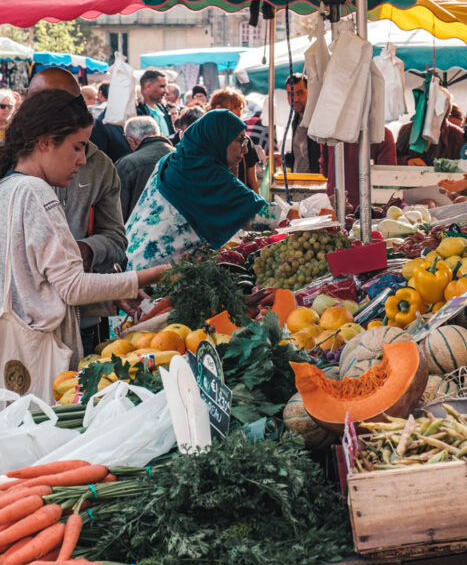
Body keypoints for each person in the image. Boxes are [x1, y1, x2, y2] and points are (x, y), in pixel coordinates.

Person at [0, 90, 167, 399]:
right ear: (45, 142)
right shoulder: (37, 193)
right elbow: (73, 287)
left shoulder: (9, 188)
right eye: (77, 147)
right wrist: (157, 274)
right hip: (39, 364)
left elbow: (41, 281)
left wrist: (116, 292)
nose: (81, 160)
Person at [126, 110, 275, 270]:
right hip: (158, 273)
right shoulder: (206, 174)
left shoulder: (173, 160)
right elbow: (262, 217)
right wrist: (295, 216)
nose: (245, 149)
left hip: (130, 262)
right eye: (240, 141)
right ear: (219, 140)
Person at [115, 116, 174, 221]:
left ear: (131, 140)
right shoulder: (179, 155)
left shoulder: (128, 163)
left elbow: (118, 210)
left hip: (138, 231)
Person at [320, 128, 397, 204]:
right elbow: (388, 178)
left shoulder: (331, 131)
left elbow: (324, 170)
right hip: (367, 205)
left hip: (335, 201)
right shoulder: (383, 134)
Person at [207, 88, 259, 191]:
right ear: (219, 108)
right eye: (236, 108)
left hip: (241, 199)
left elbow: (252, 180)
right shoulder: (208, 139)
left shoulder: (245, 141)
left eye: (241, 108)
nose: (240, 113)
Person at [395, 106, 465, 166]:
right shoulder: (407, 129)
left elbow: (463, 167)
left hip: (444, 180)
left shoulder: (457, 135)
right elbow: (393, 159)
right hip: (410, 179)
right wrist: (407, 161)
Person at [284, 75, 321, 174]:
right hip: (300, 183)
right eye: (290, 94)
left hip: (318, 183)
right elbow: (300, 155)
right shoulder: (295, 121)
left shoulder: (319, 120)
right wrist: (283, 159)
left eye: (300, 93)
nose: (295, 99)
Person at [136, 69, 174, 137]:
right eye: (162, 86)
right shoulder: (136, 112)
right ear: (148, 86)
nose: (166, 91)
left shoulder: (164, 109)